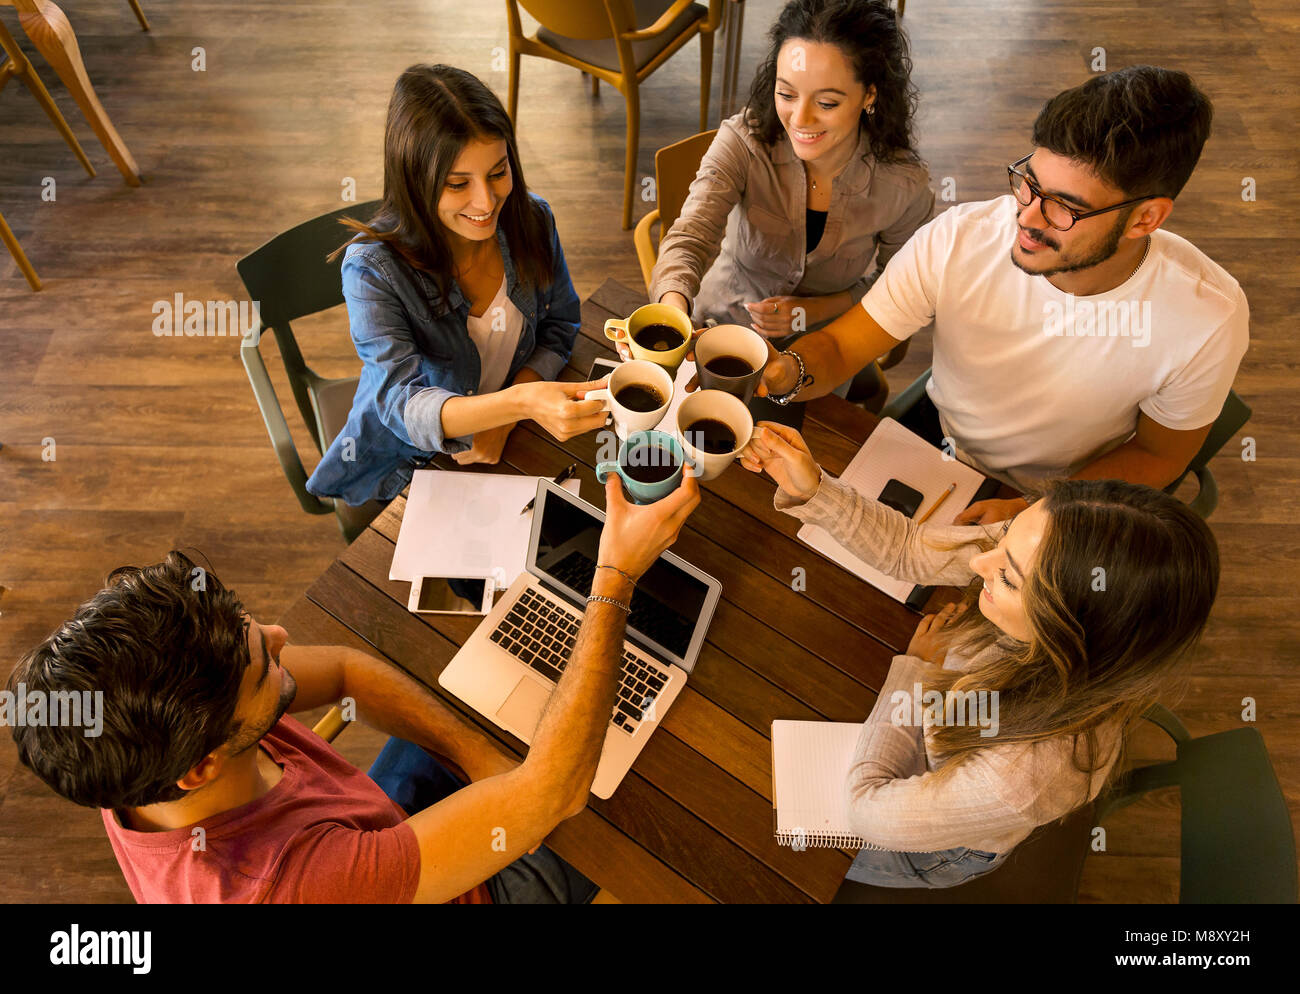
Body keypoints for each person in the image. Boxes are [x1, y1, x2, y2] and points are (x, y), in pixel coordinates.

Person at [8, 474, 701, 903]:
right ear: (201, 768)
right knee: (651, 807)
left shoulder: (133, 744)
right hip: (462, 890)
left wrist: (486, 765)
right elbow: (558, 792)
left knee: (524, 740)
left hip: (375, 830)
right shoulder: (286, 885)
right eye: (262, 668)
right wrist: (612, 581)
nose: (280, 635)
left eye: (253, 630)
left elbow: (345, 669)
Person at [753, 65, 1249, 522]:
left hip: (1070, 494)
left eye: (1066, 209)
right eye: (1029, 183)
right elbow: (842, 346)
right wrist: (785, 371)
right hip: (940, 439)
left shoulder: (1206, 318)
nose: (1026, 219)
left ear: (1145, 219)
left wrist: (1034, 510)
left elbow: (1157, 455)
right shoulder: (961, 237)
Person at [741, 422, 1218, 887]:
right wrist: (813, 488)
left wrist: (914, 675)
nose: (975, 564)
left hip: (931, 846)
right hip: (938, 735)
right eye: (1003, 540)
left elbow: (865, 813)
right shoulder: (1051, 553)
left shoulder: (1018, 779)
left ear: (1072, 630)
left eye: (1008, 577)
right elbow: (912, 549)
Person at [306, 64, 609, 508]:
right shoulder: (372, 270)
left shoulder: (533, 219)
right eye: (457, 184)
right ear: (414, 181)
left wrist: (511, 409)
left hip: (515, 434)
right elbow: (401, 404)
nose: (486, 203)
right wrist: (521, 403)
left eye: (498, 172)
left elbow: (560, 326)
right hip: (410, 461)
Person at [641, 0, 933, 411]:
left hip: (827, 351)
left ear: (869, 94)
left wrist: (815, 310)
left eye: (827, 103)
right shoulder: (744, 141)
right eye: (786, 94)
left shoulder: (903, 185)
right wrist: (674, 311)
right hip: (719, 326)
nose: (800, 118)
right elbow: (690, 237)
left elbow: (899, 288)